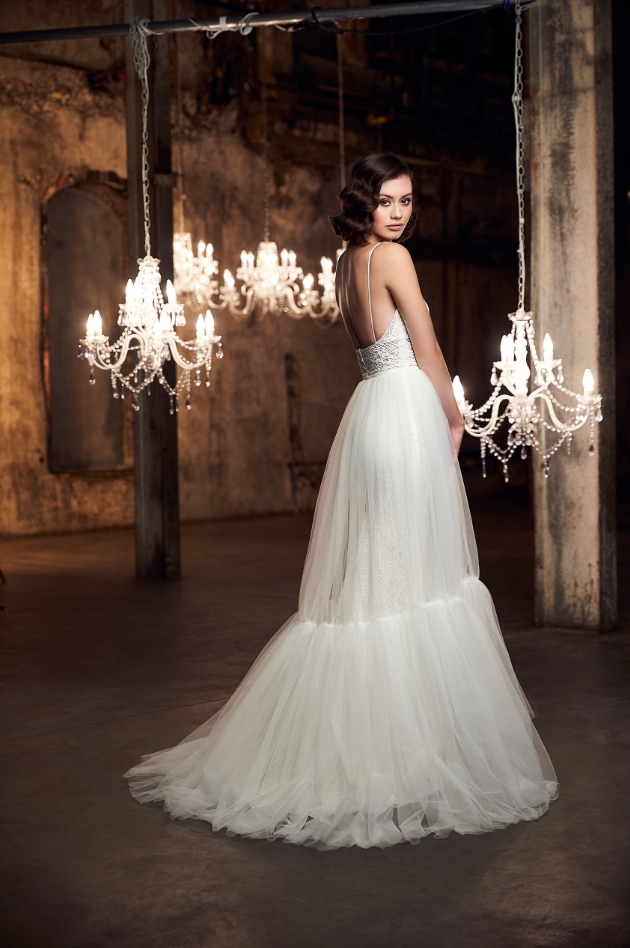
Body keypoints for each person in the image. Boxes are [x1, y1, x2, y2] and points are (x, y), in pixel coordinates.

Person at [125, 154, 558, 850]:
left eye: (408, 201)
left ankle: (376, 747)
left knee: (379, 580)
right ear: (364, 204)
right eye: (387, 201)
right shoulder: (392, 259)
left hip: (369, 415)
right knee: (414, 577)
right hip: (406, 414)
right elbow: (427, 346)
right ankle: (401, 755)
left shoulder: (344, 263)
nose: (399, 212)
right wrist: (455, 419)